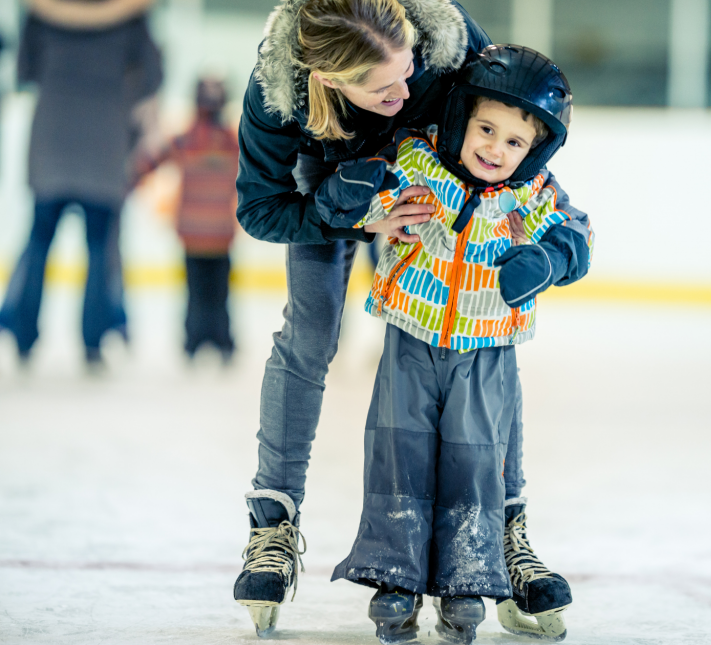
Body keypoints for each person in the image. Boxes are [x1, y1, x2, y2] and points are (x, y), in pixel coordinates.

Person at [230, 1, 592, 639]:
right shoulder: (278, 91)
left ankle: (504, 532)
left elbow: (515, 125)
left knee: (485, 340)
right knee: (310, 338)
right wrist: (350, 217)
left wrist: (549, 242)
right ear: (331, 80)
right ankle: (273, 525)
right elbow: (261, 209)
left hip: (431, 161)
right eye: (380, 86)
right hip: (330, 183)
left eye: (409, 70)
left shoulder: (447, 40)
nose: (403, 88)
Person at [328, 45, 591, 644]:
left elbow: (579, 234)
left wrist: (549, 257)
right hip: (409, 340)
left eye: (514, 142)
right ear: (461, 121)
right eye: (486, 129)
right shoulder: (420, 163)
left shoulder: (533, 197)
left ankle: (466, 580)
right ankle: (394, 578)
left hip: (486, 353)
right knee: (400, 457)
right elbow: (369, 195)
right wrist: (357, 190)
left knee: (474, 466)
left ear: (535, 150)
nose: (495, 149)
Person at [0, 0, 162, 368]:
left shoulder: (40, 13)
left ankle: (23, 336)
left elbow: (26, 70)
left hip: (52, 137)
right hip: (105, 140)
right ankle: (93, 340)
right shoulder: (132, 15)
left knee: (39, 240)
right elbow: (151, 76)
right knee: (99, 246)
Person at [134, 78, 240, 362]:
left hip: (192, 232)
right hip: (220, 232)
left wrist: (131, 178)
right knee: (220, 292)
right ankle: (222, 342)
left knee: (195, 291)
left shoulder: (186, 139)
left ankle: (193, 342)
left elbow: (149, 162)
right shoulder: (232, 141)